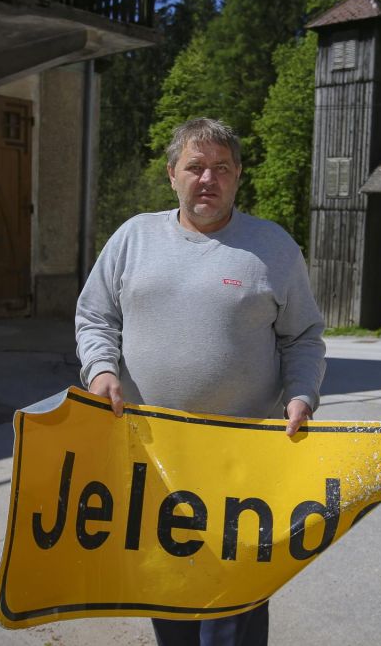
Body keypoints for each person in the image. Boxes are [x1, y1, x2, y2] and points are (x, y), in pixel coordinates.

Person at [74, 117, 326, 646]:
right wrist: (100, 370)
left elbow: (302, 337)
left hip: (241, 465)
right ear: (172, 175)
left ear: (238, 177)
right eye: (195, 167)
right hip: (152, 459)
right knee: (168, 593)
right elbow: (96, 317)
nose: (207, 179)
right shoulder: (133, 238)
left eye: (221, 168)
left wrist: (302, 394)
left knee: (233, 609)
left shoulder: (274, 249)